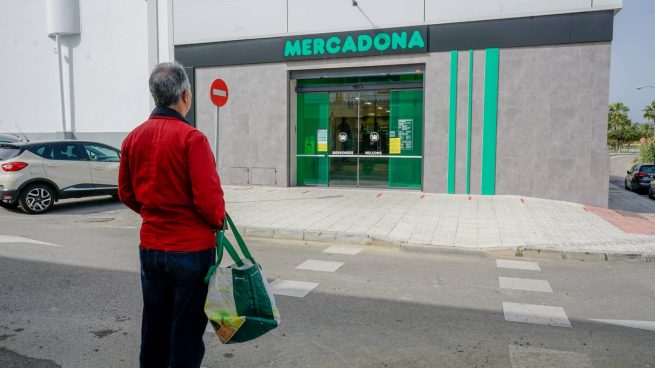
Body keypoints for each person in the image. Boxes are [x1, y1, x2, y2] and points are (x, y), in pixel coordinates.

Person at [119, 62, 226, 368]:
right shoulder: (192, 139)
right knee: (187, 332)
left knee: (154, 327)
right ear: (185, 96)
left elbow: (126, 193)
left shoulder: (133, 138)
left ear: (154, 96)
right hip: (191, 251)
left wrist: (153, 214)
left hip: (151, 247)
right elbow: (209, 201)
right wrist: (217, 222)